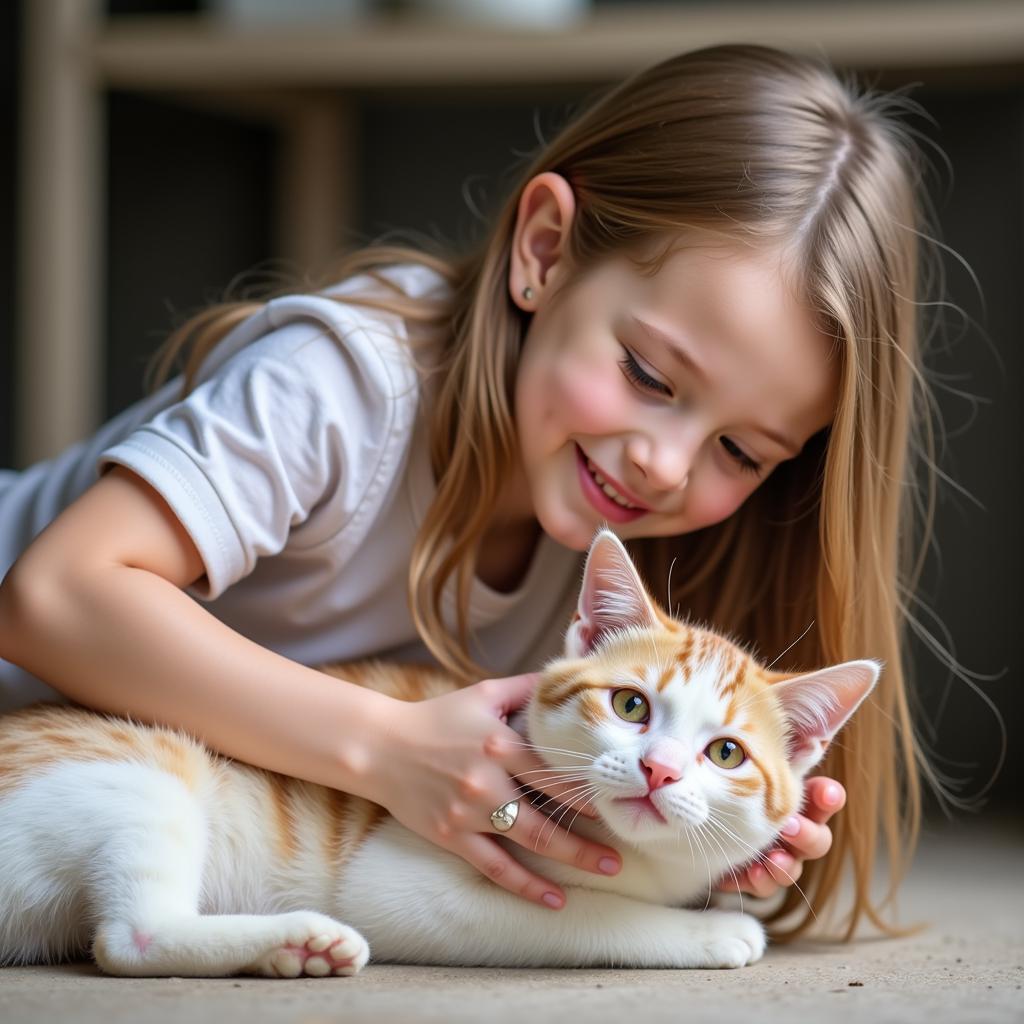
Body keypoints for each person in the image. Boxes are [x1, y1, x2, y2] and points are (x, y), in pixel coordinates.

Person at [0, 44, 941, 940]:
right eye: (650, 376)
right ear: (544, 250)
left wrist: (686, 846)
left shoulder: (623, 563)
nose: (665, 463)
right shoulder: (340, 384)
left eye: (740, 449)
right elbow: (53, 596)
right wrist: (384, 743)